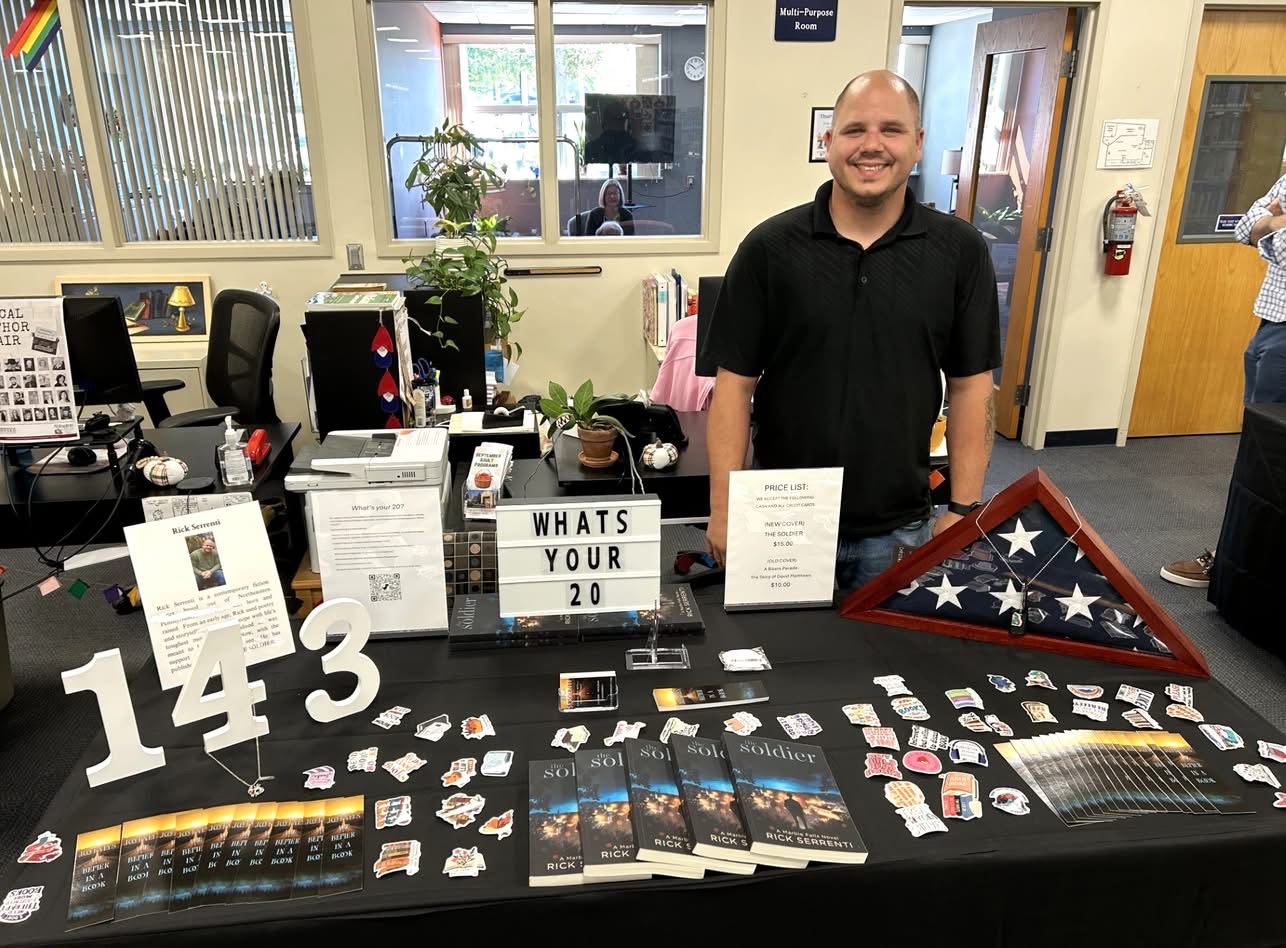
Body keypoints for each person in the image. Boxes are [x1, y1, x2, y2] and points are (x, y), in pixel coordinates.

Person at [701, 70, 1000, 592]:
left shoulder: (960, 252)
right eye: (855, 129)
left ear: (918, 144)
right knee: (775, 665)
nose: (872, 146)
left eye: (892, 129)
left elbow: (973, 387)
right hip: (781, 519)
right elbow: (733, 386)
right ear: (828, 142)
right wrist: (724, 510)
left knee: (888, 669)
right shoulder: (769, 249)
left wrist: (963, 509)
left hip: (898, 525)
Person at [1161, 175, 1286, 587]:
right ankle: (1236, 557)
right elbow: (1243, 226)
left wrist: (1270, 228)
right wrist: (1270, 225)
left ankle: (1246, 563)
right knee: (1258, 454)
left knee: (1271, 459)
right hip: (1272, 323)